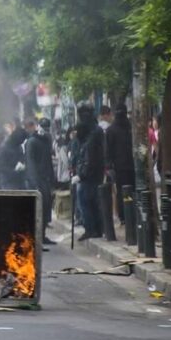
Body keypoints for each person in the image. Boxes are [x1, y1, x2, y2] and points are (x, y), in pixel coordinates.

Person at [73, 102, 105, 241]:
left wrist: (81, 174)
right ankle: (96, 229)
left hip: (89, 175)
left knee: (85, 201)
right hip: (94, 172)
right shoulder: (94, 129)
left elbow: (89, 158)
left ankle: (91, 229)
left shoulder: (91, 133)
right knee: (91, 202)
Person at [24, 118, 56, 245]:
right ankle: (36, 237)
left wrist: (53, 180)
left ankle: (42, 236)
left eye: (47, 127)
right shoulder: (32, 142)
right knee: (38, 209)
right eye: (43, 127)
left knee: (46, 209)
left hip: (45, 178)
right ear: (38, 127)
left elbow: (48, 161)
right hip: (36, 180)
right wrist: (35, 182)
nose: (45, 130)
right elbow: (30, 163)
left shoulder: (47, 140)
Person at [105, 103, 134, 225]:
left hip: (121, 167)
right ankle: (127, 215)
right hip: (128, 166)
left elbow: (108, 150)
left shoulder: (114, 129)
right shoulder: (129, 127)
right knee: (128, 191)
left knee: (123, 192)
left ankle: (124, 216)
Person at [0, 125, 29, 190]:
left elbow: (21, 157)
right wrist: (13, 171)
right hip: (8, 181)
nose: (22, 142)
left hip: (19, 180)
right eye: (21, 140)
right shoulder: (4, 147)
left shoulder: (18, 146)